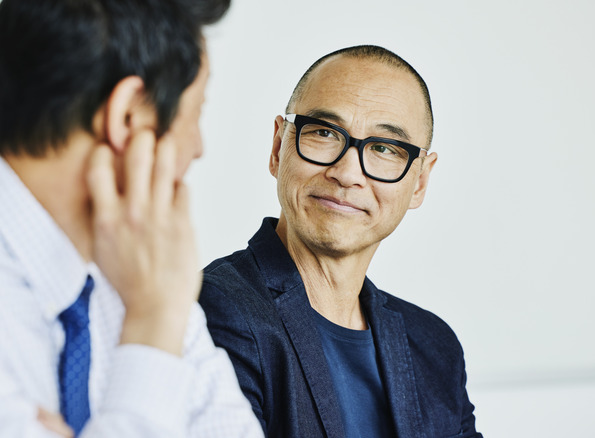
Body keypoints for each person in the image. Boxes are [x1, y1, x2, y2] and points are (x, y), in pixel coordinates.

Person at [0, 0, 263, 437]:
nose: (199, 147)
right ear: (127, 115)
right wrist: (151, 326)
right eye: (196, 113)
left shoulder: (141, 258)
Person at [199, 45, 483, 438]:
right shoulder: (212, 311)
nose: (348, 173)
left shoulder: (433, 346)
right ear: (278, 146)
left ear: (419, 181)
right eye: (324, 133)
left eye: (385, 148)